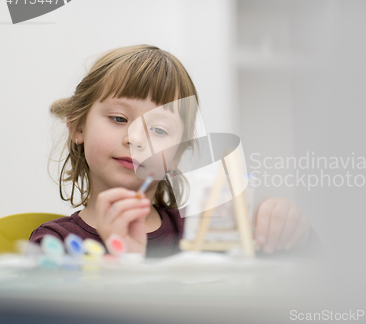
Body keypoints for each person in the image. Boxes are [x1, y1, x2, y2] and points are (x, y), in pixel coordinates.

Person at [29, 44, 317, 258]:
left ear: (177, 156)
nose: (137, 139)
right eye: (119, 119)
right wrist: (122, 260)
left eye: (159, 130)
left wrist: (292, 230)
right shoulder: (55, 245)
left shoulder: (204, 233)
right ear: (78, 127)